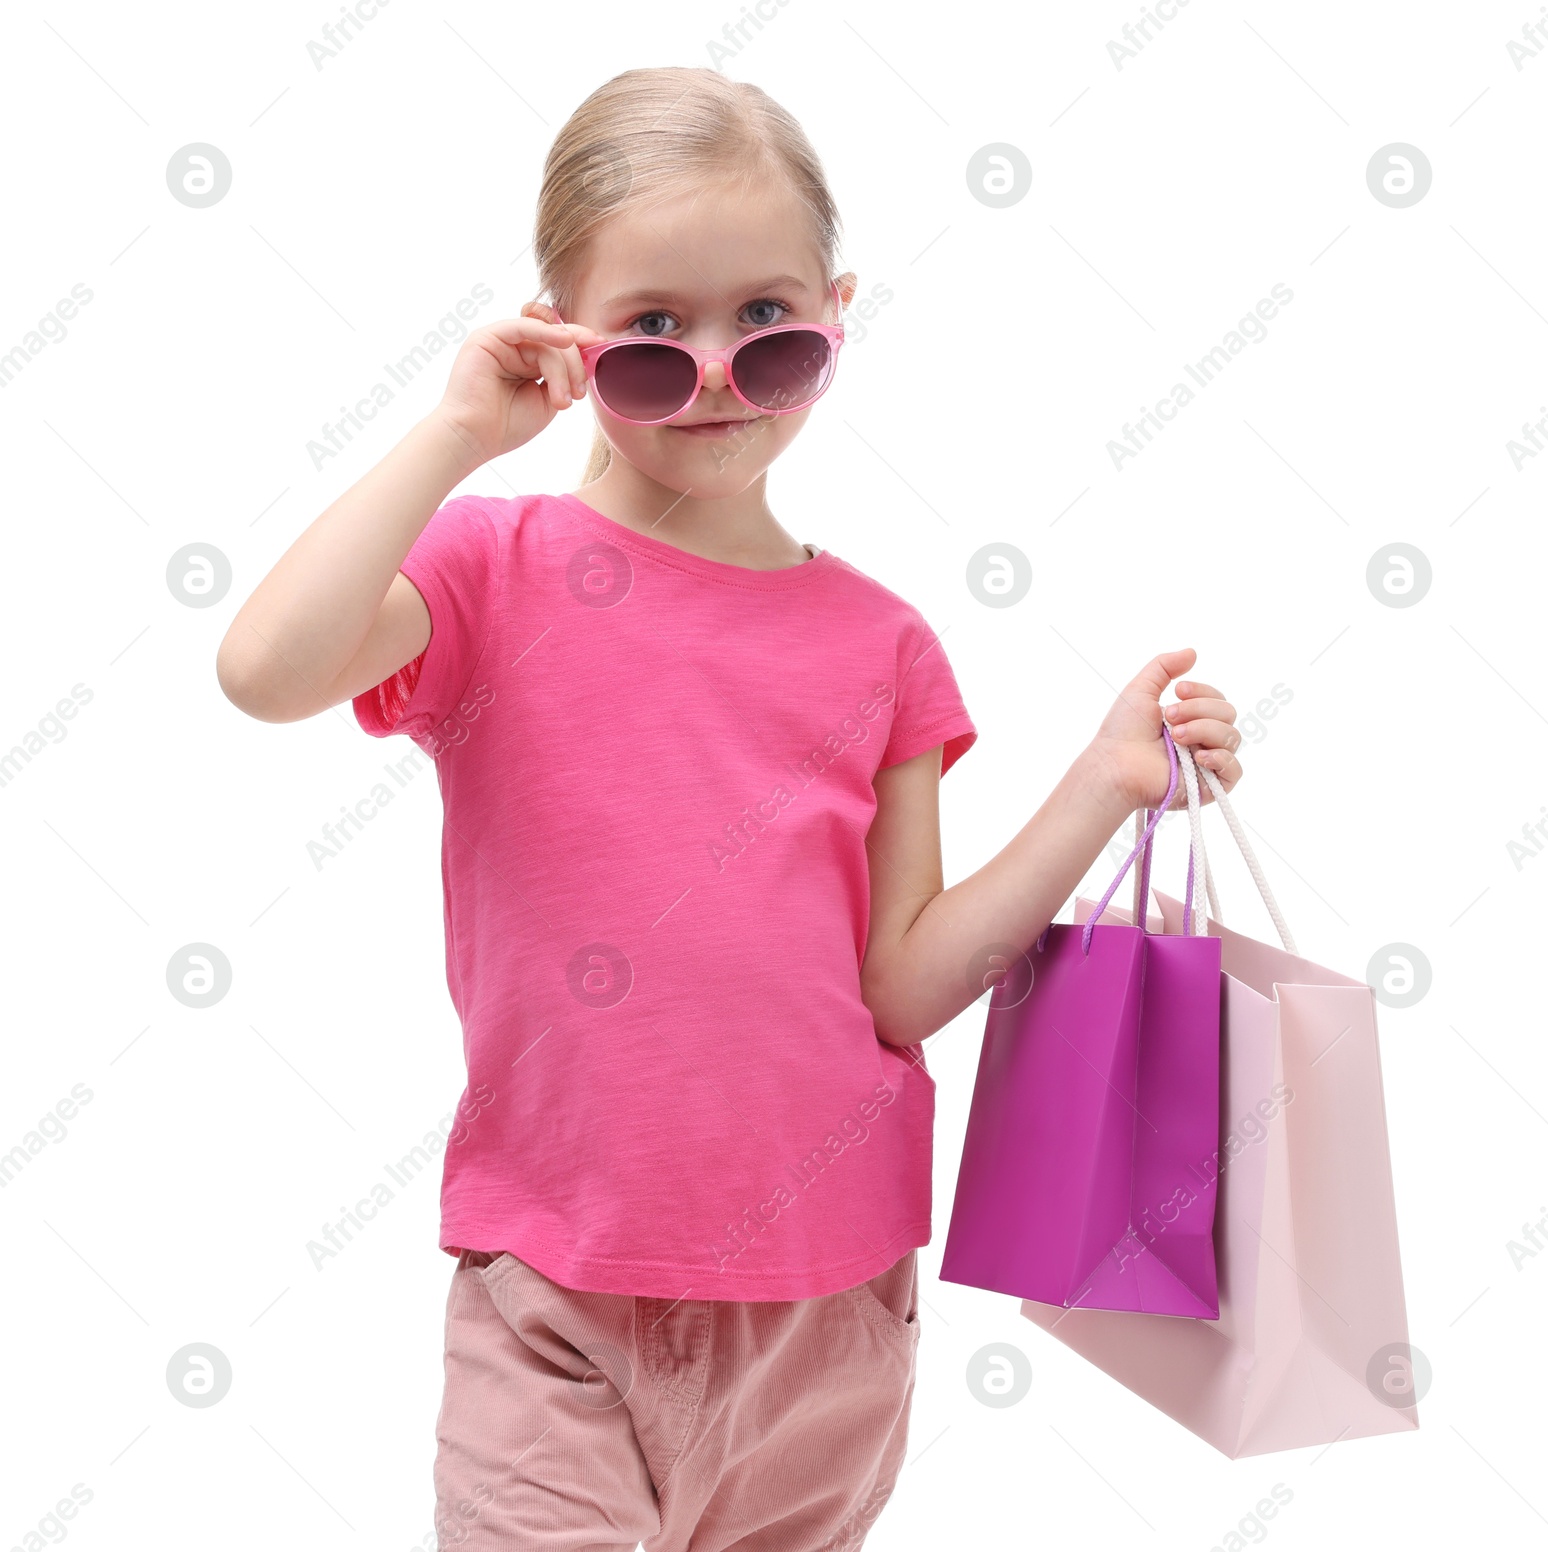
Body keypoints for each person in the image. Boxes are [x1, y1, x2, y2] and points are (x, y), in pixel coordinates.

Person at [216, 64, 1244, 1552]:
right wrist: (453, 432)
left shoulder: (883, 645)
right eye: (650, 331)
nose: (711, 371)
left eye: (767, 321)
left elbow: (903, 983)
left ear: (837, 310)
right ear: (561, 336)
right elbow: (264, 671)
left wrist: (1102, 784)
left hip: (826, 1308)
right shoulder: (488, 570)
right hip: (555, 1285)